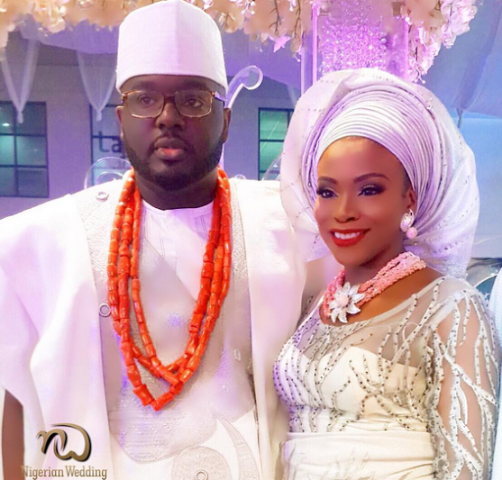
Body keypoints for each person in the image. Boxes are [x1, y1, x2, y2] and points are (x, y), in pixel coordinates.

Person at [0, 2, 330, 479]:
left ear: (226, 120)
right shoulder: (45, 241)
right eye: (145, 98)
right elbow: (14, 396)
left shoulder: (288, 230)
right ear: (121, 119)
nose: (168, 116)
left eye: (193, 100)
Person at [275, 69, 501, 480]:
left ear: (409, 199)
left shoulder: (453, 308)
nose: (343, 211)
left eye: (369, 189)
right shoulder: (318, 301)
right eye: (327, 191)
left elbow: (466, 471)